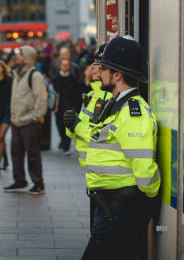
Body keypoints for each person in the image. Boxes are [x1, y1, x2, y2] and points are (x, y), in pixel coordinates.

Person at [64, 36, 160, 260]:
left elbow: (143, 164)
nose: (98, 73)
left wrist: (148, 201)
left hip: (120, 206)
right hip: (110, 203)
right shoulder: (117, 105)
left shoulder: (132, 112)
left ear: (117, 74)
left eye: (104, 68)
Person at [4, 46, 47, 195]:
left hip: (29, 121)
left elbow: (41, 98)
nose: (17, 57)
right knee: (16, 152)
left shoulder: (35, 75)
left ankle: (38, 184)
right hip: (16, 121)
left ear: (28, 58)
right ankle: (20, 181)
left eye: (21, 55)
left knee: (33, 154)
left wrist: (35, 117)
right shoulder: (17, 74)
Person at [65, 44, 112, 168]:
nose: (92, 68)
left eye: (98, 65)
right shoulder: (92, 95)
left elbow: (100, 137)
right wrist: (70, 125)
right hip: (90, 168)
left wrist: (76, 125)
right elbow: (82, 128)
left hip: (101, 168)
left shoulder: (110, 98)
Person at [52, 58, 82, 155]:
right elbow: (53, 94)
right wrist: (53, 106)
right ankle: (62, 139)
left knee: (67, 126)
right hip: (58, 106)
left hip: (69, 106)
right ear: (60, 66)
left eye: (67, 65)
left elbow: (77, 95)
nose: (65, 67)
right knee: (59, 125)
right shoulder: (55, 78)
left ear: (69, 66)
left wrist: (77, 109)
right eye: (63, 65)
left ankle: (66, 147)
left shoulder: (73, 79)